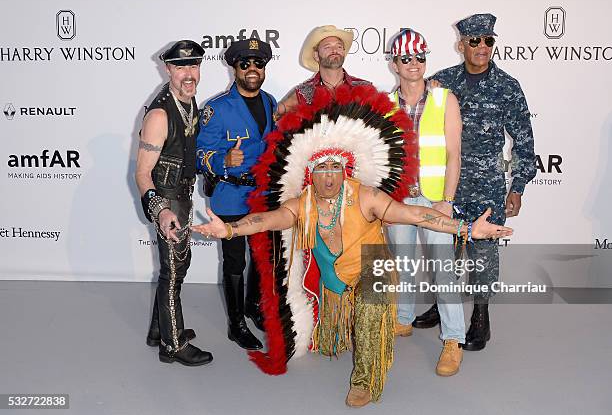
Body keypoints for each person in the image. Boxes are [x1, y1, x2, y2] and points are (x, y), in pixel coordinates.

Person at [192, 86, 512, 406]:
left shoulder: (366, 196)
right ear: (310, 173)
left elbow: (417, 214)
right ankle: (340, 327)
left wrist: (467, 229)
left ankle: (365, 379)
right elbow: (264, 220)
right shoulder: (302, 204)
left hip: (373, 266)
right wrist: (231, 229)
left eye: (335, 168)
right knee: (331, 342)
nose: (329, 176)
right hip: (335, 279)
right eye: (322, 168)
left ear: (344, 170)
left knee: (371, 310)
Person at [430, 13, 536, 351]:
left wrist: (517, 186)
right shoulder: (442, 82)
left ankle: (480, 315)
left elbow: (524, 141)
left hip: (487, 185)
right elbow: (409, 107)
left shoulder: (507, 87)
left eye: (488, 40)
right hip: (447, 184)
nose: (482, 47)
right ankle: (442, 305)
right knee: (445, 249)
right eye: (474, 41)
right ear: (461, 45)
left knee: (483, 253)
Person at [386, 28, 465, 376]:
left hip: (435, 200)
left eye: (420, 57)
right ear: (394, 64)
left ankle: (453, 339)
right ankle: (402, 319)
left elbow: (453, 154)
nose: (414, 64)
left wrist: (447, 201)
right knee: (402, 264)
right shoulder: (384, 106)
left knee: (443, 271)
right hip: (400, 199)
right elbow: (380, 159)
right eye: (406, 58)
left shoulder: (444, 99)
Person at [135, 40, 212, 366]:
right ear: (168, 69)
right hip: (167, 200)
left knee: (177, 267)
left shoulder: (190, 101)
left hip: (182, 194)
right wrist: (162, 211)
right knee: (173, 272)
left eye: (193, 66)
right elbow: (141, 174)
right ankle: (173, 344)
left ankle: (159, 330)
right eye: (181, 67)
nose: (188, 74)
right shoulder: (158, 115)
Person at [196, 38, 277, 350]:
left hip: (262, 194)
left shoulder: (270, 101)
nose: (252, 69)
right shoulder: (216, 109)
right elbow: (200, 154)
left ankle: (253, 307)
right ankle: (236, 323)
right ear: (234, 68)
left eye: (259, 64)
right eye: (245, 64)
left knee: (261, 256)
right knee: (234, 262)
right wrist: (223, 160)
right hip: (230, 194)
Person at [275, 25, 370, 116]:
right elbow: (274, 116)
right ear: (316, 56)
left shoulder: (365, 88)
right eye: (327, 47)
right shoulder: (302, 93)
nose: (335, 50)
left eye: (339, 46)